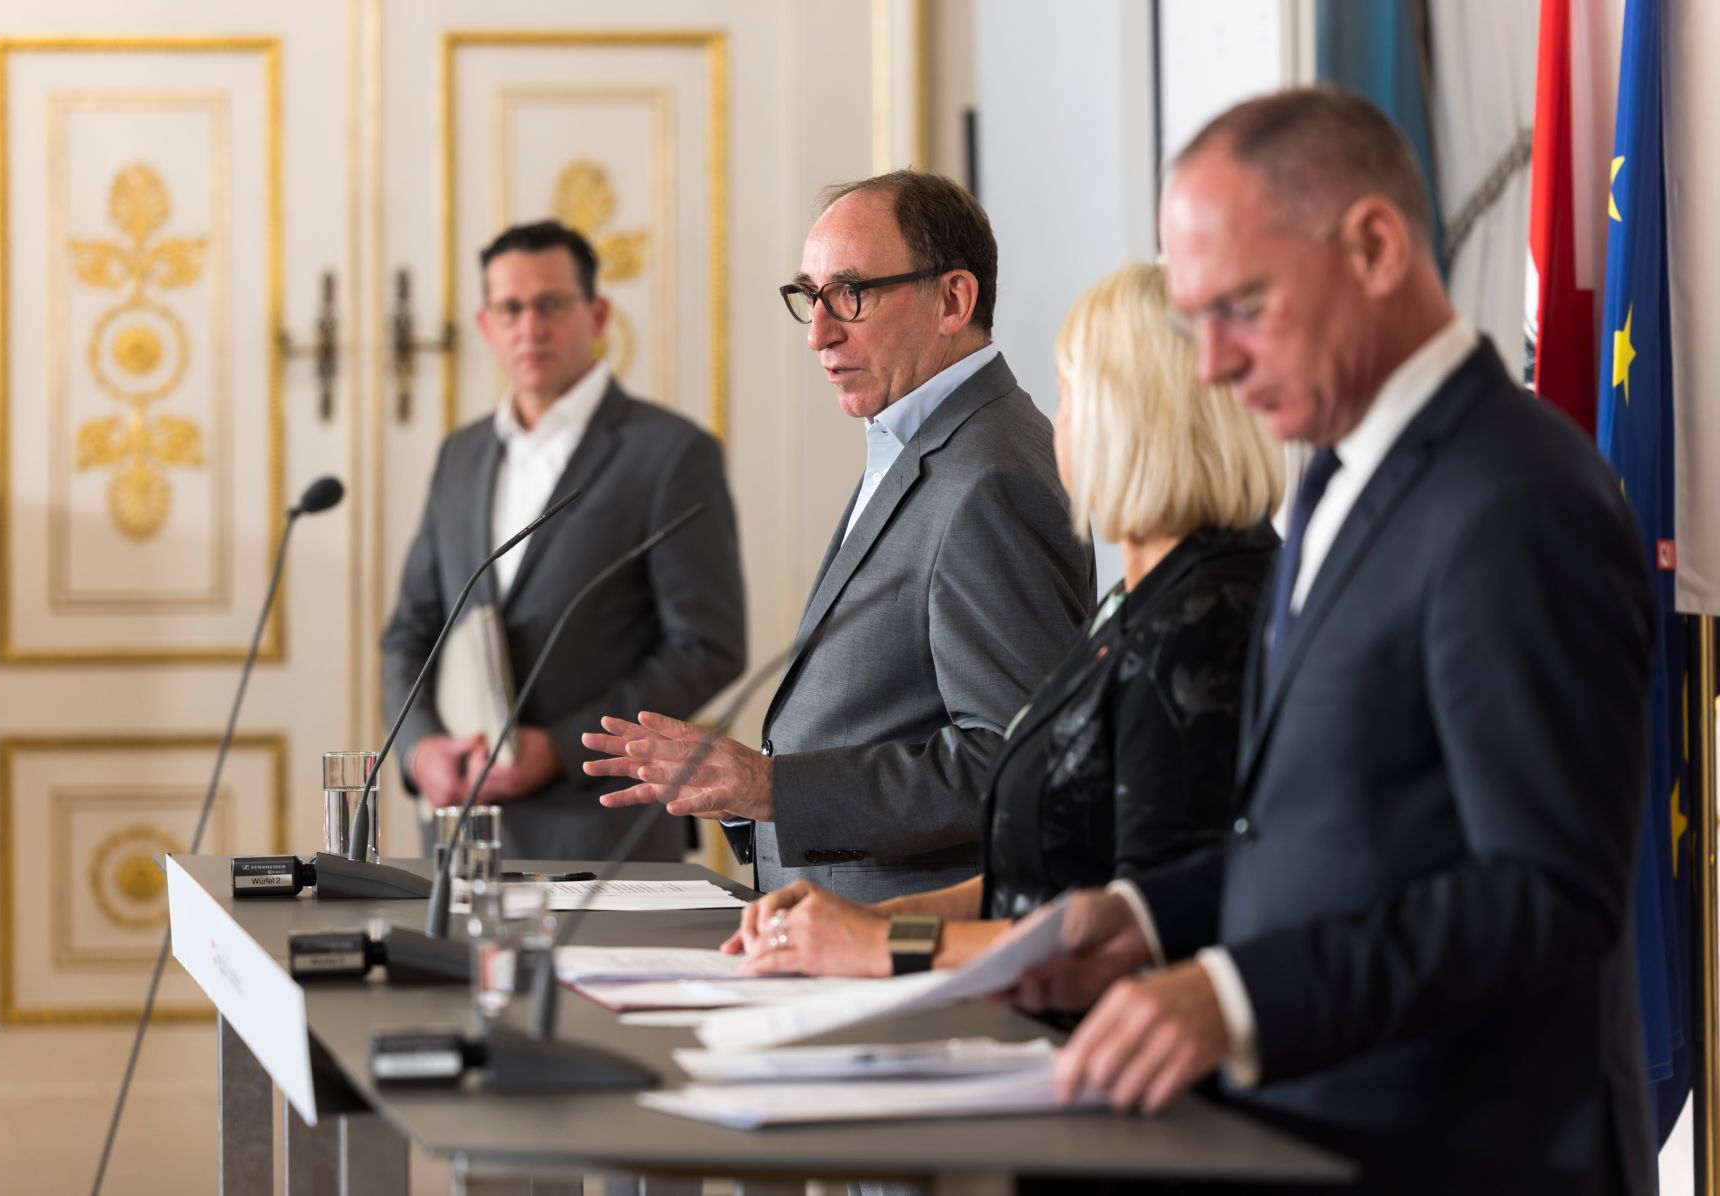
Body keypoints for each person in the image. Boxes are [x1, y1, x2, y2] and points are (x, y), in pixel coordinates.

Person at [1013, 88, 1657, 1195]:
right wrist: (1139, 917)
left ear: (1370, 245)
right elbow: (1338, 843)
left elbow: (1542, 891)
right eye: (1191, 319)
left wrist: (1238, 996)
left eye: (1242, 307)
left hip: (1474, 1152)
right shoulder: (1331, 486)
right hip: (1323, 1136)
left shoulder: (1514, 497)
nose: (1209, 362)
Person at [719, 261, 1280, 978]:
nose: (1058, 425)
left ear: (1138, 420)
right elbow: (1050, 866)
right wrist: (875, 919)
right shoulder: (1139, 604)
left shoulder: (1209, 615)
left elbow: (1136, 914)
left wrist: (881, 946)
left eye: (1072, 396)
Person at [582, 170, 1095, 901]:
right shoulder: (924, 441)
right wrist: (743, 795)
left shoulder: (988, 477)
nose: (820, 333)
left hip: (905, 951)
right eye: (809, 297)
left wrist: (774, 786)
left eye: (851, 293)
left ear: (953, 299)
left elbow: (1016, 761)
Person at [381, 219, 745, 862]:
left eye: (551, 304)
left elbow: (707, 648)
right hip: (459, 829)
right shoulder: (459, 457)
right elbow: (410, 632)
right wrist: (420, 749)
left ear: (597, 314)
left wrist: (565, 745)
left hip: (601, 833)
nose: (530, 326)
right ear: (486, 325)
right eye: (510, 308)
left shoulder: (671, 453)